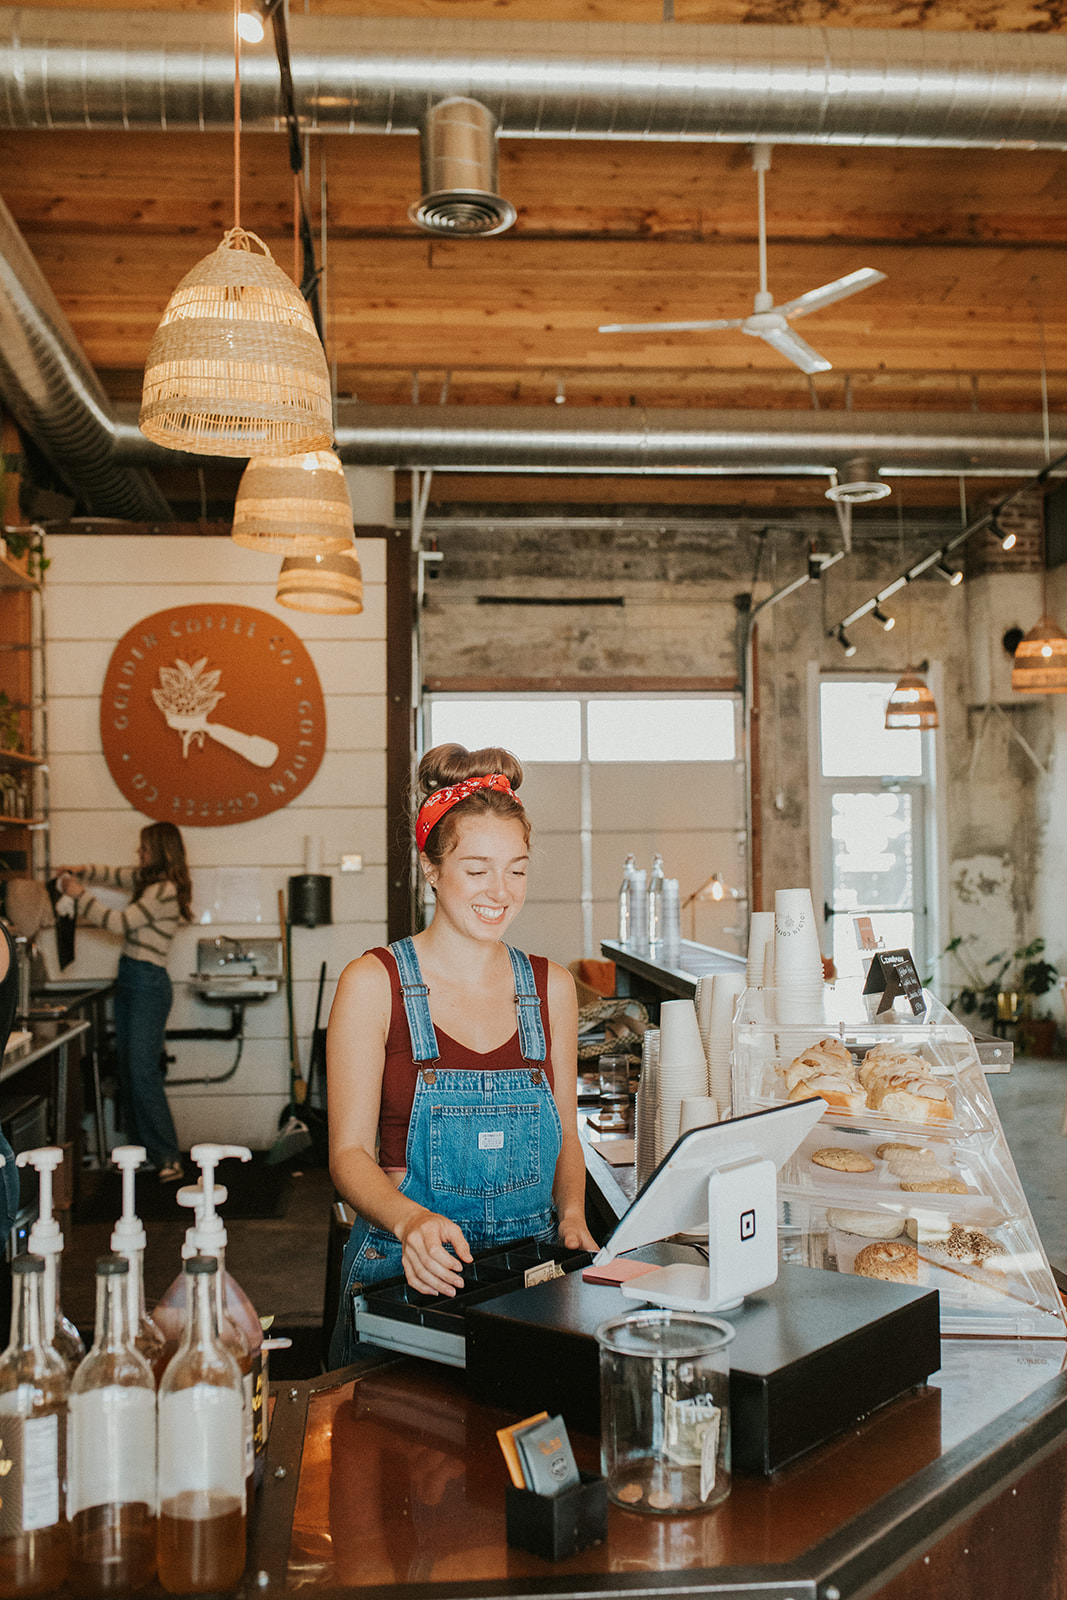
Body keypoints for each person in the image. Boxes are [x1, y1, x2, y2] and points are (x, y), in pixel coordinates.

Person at [328, 744, 597, 1367]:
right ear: (431, 868)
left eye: (517, 869)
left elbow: (566, 1138)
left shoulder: (551, 987)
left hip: (528, 1276)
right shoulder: (373, 983)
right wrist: (409, 1221)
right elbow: (347, 1156)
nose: (500, 892)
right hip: (406, 1276)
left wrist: (574, 1215)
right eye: (477, 870)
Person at [59, 821, 192, 1182]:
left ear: (161, 851)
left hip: (147, 983)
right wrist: (85, 870)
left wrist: (77, 892)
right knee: (131, 1069)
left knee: (142, 1071)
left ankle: (168, 1157)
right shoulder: (150, 882)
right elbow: (117, 875)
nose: (139, 853)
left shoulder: (164, 890)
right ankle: (143, 1154)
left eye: (145, 848)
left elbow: (119, 923)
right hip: (133, 979)